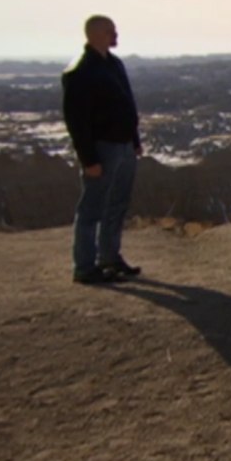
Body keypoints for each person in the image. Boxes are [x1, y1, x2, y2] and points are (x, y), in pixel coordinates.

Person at [62, 15, 144, 284]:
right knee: (92, 209)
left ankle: (109, 258)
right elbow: (77, 120)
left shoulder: (114, 64)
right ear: (96, 34)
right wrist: (88, 158)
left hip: (123, 146)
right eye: (111, 31)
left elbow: (127, 105)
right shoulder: (80, 71)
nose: (116, 34)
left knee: (117, 205)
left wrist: (134, 140)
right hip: (102, 148)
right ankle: (84, 267)